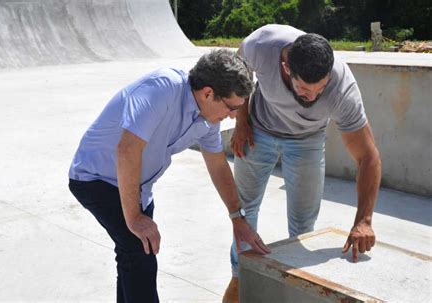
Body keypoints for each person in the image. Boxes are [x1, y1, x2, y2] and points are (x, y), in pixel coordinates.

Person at [68, 49, 271, 303]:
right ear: (208, 93)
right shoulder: (162, 89)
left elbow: (218, 167)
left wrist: (237, 219)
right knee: (140, 252)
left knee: (134, 258)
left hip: (138, 187)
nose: (233, 116)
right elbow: (127, 150)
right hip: (95, 178)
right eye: (232, 107)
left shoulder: (208, 119)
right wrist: (134, 217)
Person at [222, 25, 381, 302]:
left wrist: (364, 221)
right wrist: (242, 121)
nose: (313, 97)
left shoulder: (342, 89)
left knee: (303, 226)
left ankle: (295, 289)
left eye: (320, 89)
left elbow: (368, 157)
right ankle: (240, 278)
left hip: (307, 141)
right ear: (286, 68)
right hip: (258, 130)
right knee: (244, 214)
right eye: (304, 89)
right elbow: (240, 74)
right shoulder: (262, 45)